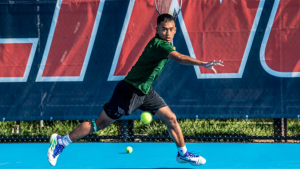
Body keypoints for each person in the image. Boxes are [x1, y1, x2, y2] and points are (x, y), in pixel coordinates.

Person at [47, 13, 223, 166]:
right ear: (157, 29)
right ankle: (61, 142)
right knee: (99, 124)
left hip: (145, 92)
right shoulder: (159, 45)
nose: (167, 33)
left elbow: (171, 51)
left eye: (170, 29)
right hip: (128, 91)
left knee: (171, 118)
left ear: (175, 29)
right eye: (164, 29)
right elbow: (179, 57)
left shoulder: (165, 44)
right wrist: (203, 63)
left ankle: (182, 154)